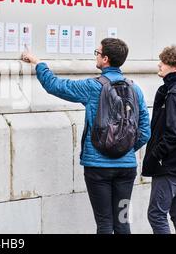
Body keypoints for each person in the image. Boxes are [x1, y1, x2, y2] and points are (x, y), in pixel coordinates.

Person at [21, 38, 151, 234]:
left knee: (105, 223)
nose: (96, 56)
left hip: (98, 168)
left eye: (97, 53)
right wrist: (124, 150)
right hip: (127, 169)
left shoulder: (92, 87)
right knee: (123, 221)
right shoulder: (135, 89)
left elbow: (55, 86)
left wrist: (38, 63)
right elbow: (145, 131)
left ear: (105, 59)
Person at [142, 45, 176, 234]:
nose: (159, 64)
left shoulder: (175, 93)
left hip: (169, 164)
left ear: (175, 66)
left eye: (164, 62)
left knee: (156, 214)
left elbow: (175, 132)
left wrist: (156, 155)